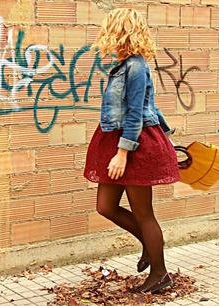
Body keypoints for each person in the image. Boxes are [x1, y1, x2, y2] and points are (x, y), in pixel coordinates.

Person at [83, 8, 180, 294]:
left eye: (110, 30)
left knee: (143, 213)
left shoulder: (136, 67)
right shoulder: (125, 65)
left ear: (120, 32)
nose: (106, 37)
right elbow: (152, 105)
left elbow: (137, 112)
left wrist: (123, 153)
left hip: (132, 145)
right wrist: (167, 134)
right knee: (106, 206)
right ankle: (149, 245)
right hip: (119, 141)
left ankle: (160, 274)